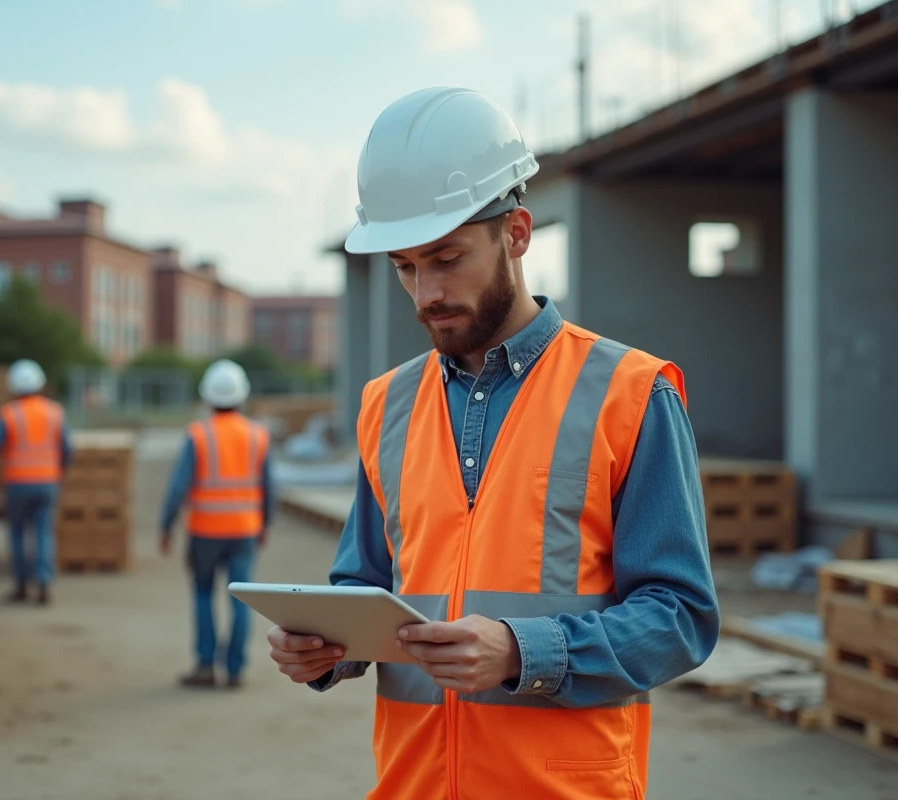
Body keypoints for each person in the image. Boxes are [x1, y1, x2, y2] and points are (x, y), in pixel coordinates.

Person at [266, 87, 721, 799]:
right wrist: (327, 648)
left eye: (447, 258)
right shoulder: (385, 406)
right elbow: (366, 582)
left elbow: (680, 617)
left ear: (516, 233)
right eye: (405, 268)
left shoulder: (632, 393)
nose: (425, 295)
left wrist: (521, 651)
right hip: (413, 784)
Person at [161, 359, 276, 689]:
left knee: (202, 595)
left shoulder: (198, 434)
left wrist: (166, 526)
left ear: (207, 397)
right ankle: (235, 668)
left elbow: (177, 487)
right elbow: (270, 488)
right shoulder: (257, 435)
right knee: (241, 598)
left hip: (205, 532)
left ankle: (205, 665)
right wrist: (264, 525)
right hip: (245, 531)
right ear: (243, 396)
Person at [0, 358, 71, 606]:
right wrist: (59, 471)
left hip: (18, 483)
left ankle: (21, 586)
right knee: (43, 533)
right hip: (47, 482)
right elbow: (67, 449)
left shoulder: (9, 414)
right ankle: (44, 581)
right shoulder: (55, 412)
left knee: (17, 534)